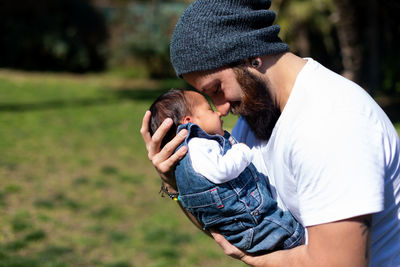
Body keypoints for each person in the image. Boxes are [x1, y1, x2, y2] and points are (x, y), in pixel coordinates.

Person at [140, 0, 400, 266]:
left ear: (252, 56)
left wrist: (257, 261)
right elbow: (230, 217)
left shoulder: (333, 123)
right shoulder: (257, 115)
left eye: (216, 88)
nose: (220, 109)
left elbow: (338, 262)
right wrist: (176, 181)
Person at [148, 88, 304, 254]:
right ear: (189, 121)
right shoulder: (198, 145)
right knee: (294, 237)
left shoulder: (186, 159)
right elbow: (222, 170)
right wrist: (242, 151)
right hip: (257, 222)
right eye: (210, 109)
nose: (219, 113)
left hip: (245, 231)